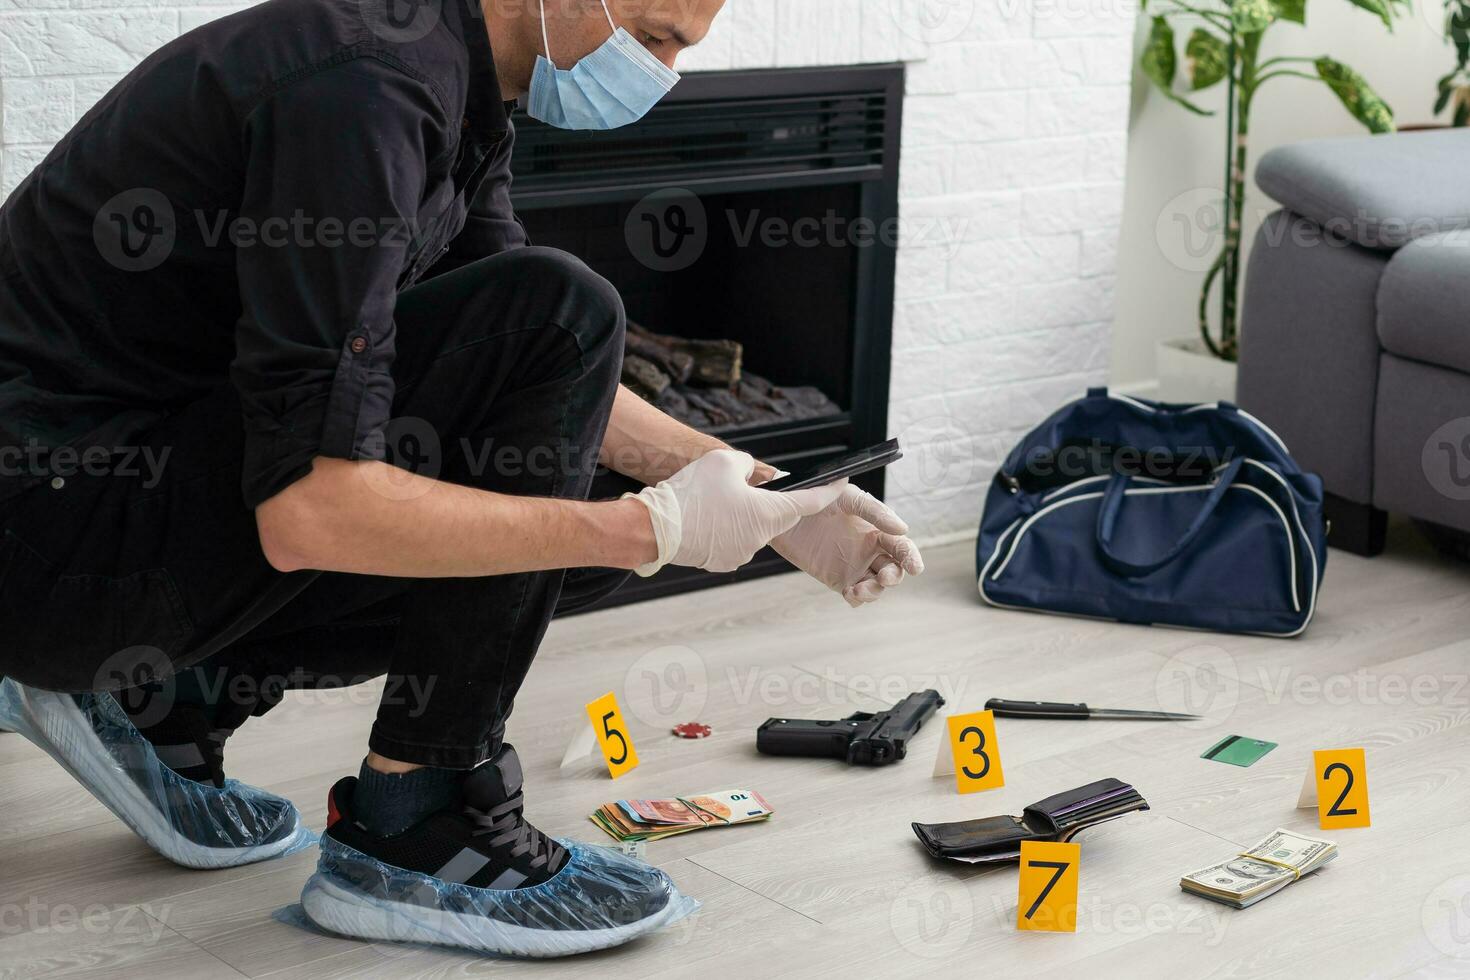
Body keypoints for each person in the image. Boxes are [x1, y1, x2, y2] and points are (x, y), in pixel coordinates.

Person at [0, 0, 924, 956]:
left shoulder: (454, 82)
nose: (665, 75)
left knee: (569, 471)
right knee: (570, 335)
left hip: (109, 515)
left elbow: (546, 383)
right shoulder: (364, 88)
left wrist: (767, 500)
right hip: (46, 550)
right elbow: (313, 514)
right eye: (655, 38)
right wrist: (656, 529)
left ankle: (179, 698)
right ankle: (415, 821)